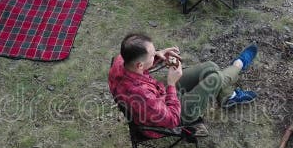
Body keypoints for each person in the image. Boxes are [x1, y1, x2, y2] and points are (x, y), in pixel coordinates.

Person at [109, 33, 259, 137]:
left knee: (210, 67)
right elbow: (172, 120)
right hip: (173, 115)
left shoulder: (121, 61)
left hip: (160, 95)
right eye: (152, 55)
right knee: (216, 78)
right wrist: (171, 84)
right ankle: (238, 65)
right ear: (140, 65)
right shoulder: (142, 96)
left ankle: (227, 96)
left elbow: (140, 64)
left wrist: (159, 55)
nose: (156, 55)